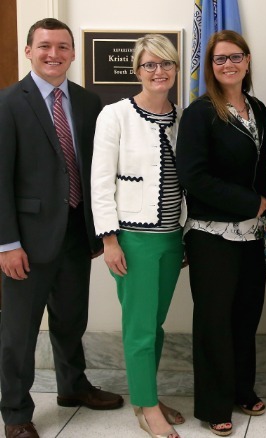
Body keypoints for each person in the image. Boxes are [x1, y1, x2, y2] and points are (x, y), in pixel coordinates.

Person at [0, 18, 123, 438]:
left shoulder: (90, 103)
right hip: (26, 241)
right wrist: (7, 243)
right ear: (29, 50)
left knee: (71, 319)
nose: (54, 54)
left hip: (75, 233)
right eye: (45, 46)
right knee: (19, 332)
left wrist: (99, 229)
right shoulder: (9, 103)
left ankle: (73, 387)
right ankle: (16, 415)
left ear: (73, 53)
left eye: (62, 47)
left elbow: (96, 171)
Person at [91, 34, 185, 438]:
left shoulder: (183, 117)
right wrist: (109, 240)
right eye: (150, 65)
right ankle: (146, 408)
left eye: (166, 64)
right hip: (133, 239)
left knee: (156, 325)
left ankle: (148, 396)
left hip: (172, 238)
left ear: (176, 70)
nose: (158, 71)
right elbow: (100, 182)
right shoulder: (115, 115)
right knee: (140, 328)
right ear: (137, 70)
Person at [176, 30, 266, 437]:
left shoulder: (260, 109)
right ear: (210, 67)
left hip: (254, 235)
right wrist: (252, 202)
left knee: (246, 317)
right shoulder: (200, 112)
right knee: (214, 321)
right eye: (219, 59)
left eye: (236, 57)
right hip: (212, 234)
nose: (228, 65)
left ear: (247, 61)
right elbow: (193, 177)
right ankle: (214, 403)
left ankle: (242, 389)